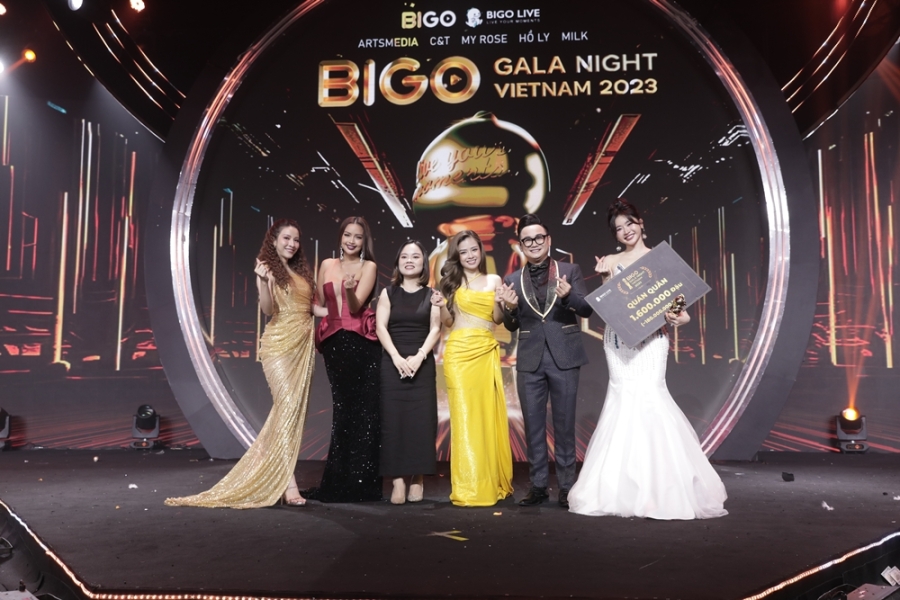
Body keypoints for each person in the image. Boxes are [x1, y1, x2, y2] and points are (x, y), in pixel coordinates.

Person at [567, 200, 728, 519]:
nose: (626, 231)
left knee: (651, 398)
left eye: (630, 223)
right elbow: (610, 308)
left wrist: (677, 317)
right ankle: (619, 490)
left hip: (653, 342)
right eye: (619, 228)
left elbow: (681, 311)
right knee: (621, 400)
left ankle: (661, 488)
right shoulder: (610, 262)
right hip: (618, 343)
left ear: (641, 223)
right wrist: (604, 278)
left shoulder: (663, 260)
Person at [165, 219, 318, 509]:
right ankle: (288, 483)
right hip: (278, 346)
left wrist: (343, 311)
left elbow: (310, 308)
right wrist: (263, 282)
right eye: (286, 238)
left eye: (296, 240)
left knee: (290, 411)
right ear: (274, 240)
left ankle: (271, 473)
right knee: (287, 407)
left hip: (302, 348)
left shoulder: (301, 272)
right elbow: (268, 309)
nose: (292, 244)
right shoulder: (267, 269)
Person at [497, 214, 593, 509]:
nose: (534, 243)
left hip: (564, 355)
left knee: (564, 425)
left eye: (539, 237)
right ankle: (538, 486)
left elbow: (586, 309)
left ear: (548, 240)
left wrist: (568, 296)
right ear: (521, 245)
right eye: (527, 240)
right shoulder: (512, 279)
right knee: (533, 425)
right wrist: (509, 309)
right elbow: (512, 326)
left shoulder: (569, 270)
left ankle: (566, 487)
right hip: (530, 358)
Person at [431, 230, 513, 507]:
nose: (469, 255)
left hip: (485, 351)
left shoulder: (494, 280)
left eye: (473, 250)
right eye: (463, 251)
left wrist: (502, 302)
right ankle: (468, 486)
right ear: (457, 255)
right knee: (464, 419)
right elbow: (449, 322)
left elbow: (497, 319)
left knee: (486, 417)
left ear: (481, 251)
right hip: (458, 354)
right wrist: (441, 306)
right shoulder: (450, 283)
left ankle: (487, 480)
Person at [305, 216, 383, 502]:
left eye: (358, 237)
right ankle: (337, 482)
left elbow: (356, 306)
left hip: (362, 343)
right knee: (343, 410)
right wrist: (330, 317)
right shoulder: (327, 264)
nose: (352, 240)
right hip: (335, 344)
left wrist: (349, 289)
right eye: (347, 235)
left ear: (364, 241)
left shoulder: (368, 267)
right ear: (340, 237)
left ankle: (362, 485)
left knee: (365, 413)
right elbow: (317, 304)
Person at [376, 240, 442, 504]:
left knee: (421, 422)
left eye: (415, 256)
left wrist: (419, 357)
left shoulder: (432, 294)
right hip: (392, 363)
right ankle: (397, 480)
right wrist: (396, 357)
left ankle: (418, 478)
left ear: (423, 263)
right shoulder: (388, 293)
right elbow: (381, 327)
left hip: (421, 363)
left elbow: (435, 329)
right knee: (393, 422)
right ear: (398, 262)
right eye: (404, 256)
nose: (409, 260)